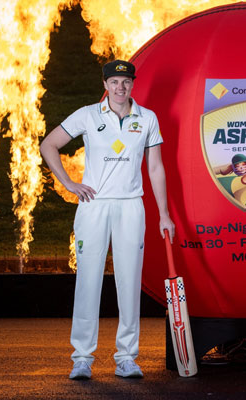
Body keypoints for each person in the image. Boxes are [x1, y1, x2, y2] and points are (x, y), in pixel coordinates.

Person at [40, 60, 175, 380]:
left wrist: (164, 214)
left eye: (125, 82)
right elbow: (49, 145)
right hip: (93, 206)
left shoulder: (147, 118)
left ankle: (127, 357)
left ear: (133, 84)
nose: (120, 87)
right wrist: (69, 183)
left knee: (128, 282)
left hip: (131, 206)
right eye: (114, 82)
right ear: (105, 84)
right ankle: (82, 358)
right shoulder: (87, 114)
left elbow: (155, 168)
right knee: (88, 281)